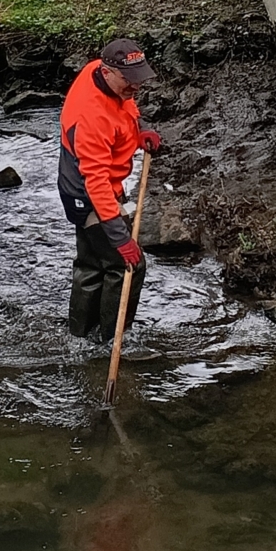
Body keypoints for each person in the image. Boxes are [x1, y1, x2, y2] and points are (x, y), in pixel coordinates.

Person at [58, 36, 163, 344]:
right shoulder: (91, 118)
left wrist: (139, 129)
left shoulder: (99, 71)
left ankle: (80, 337)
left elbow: (124, 103)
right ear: (107, 72)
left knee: (92, 264)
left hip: (85, 185)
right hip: (88, 194)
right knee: (127, 264)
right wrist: (120, 239)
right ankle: (113, 340)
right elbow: (96, 183)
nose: (136, 86)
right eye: (129, 80)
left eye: (138, 77)